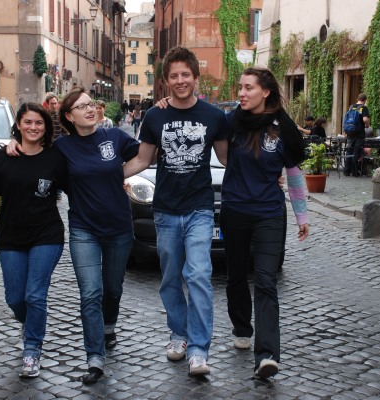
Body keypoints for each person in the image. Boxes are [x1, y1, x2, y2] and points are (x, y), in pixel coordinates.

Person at [6, 88, 140, 385]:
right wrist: (12, 142)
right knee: (90, 293)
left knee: (112, 288)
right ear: (69, 116)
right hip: (84, 228)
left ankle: (109, 325)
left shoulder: (115, 137)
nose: (90, 109)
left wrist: (120, 174)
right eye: (82, 106)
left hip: (119, 226)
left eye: (91, 104)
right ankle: (95, 358)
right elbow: (34, 150)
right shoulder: (62, 147)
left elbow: (146, 154)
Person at [123, 46, 228, 377]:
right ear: (165, 82)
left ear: (196, 78)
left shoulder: (214, 116)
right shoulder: (155, 116)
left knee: (197, 275)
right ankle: (178, 335)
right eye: (174, 76)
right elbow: (143, 159)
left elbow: (228, 159)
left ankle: (199, 349)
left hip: (199, 208)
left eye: (186, 74)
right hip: (166, 210)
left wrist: (269, 172)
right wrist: (105, 177)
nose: (180, 81)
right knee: (170, 278)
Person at [220, 67, 309, 379]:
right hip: (235, 211)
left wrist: (302, 215)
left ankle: (268, 354)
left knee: (266, 280)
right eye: (240, 87)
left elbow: (294, 174)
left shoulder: (281, 128)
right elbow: (200, 120)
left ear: (266, 92)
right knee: (235, 276)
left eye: (248, 88)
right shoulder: (231, 122)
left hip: (269, 213)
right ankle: (242, 326)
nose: (242, 93)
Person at [0, 102, 69, 378]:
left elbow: (78, 186)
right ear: (18, 124)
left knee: (35, 295)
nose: (33, 127)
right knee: (15, 298)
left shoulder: (54, 158)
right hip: (11, 236)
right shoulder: (3, 158)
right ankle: (31, 325)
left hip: (47, 235)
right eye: (27, 122)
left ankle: (32, 350)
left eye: (39, 123)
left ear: (45, 128)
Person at [343, 93, 370, 177]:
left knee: (349, 151)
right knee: (356, 152)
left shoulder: (351, 107)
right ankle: (354, 172)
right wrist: (367, 125)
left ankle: (347, 171)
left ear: (357, 99)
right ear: (365, 100)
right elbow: (365, 119)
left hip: (350, 132)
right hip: (359, 133)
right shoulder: (363, 108)